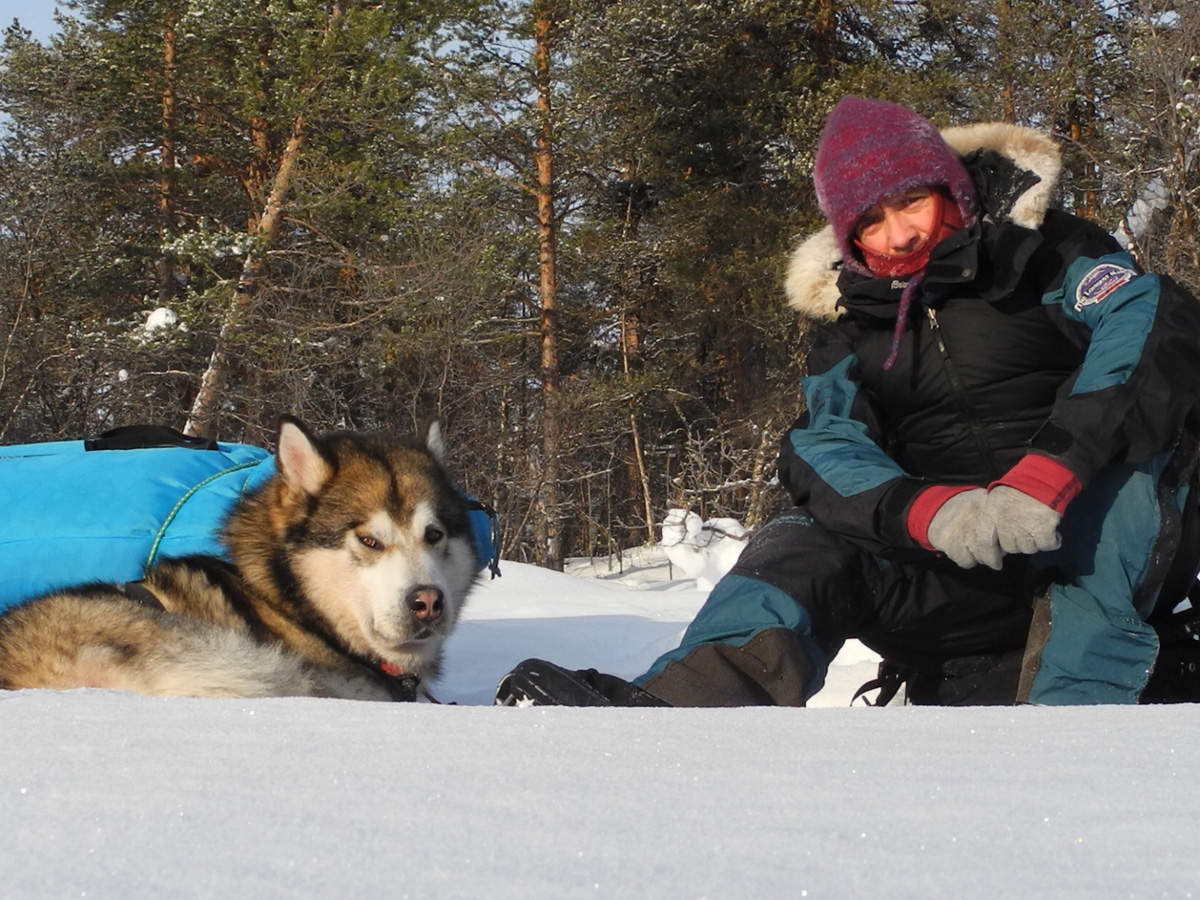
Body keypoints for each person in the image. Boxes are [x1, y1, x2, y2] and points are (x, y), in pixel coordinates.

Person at [495, 96, 1200, 708]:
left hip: (1103, 544)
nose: (900, 235)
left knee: (1125, 484)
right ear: (847, 233)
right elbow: (822, 447)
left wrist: (1049, 475)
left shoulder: (1047, 251)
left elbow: (1146, 325)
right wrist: (934, 512)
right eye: (871, 219)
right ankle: (684, 712)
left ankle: (1074, 734)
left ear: (950, 187)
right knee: (800, 542)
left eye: (913, 202)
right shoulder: (849, 324)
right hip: (959, 570)